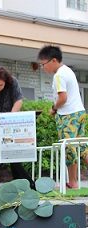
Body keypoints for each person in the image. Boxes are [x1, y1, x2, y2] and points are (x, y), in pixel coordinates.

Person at [38, 45, 87, 189]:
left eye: (43, 64)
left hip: (68, 115)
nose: (42, 67)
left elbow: (63, 98)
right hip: (79, 112)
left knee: (69, 148)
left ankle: (73, 182)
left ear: (53, 60)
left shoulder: (59, 75)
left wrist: (53, 109)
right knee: (83, 148)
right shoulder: (68, 70)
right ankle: (73, 181)